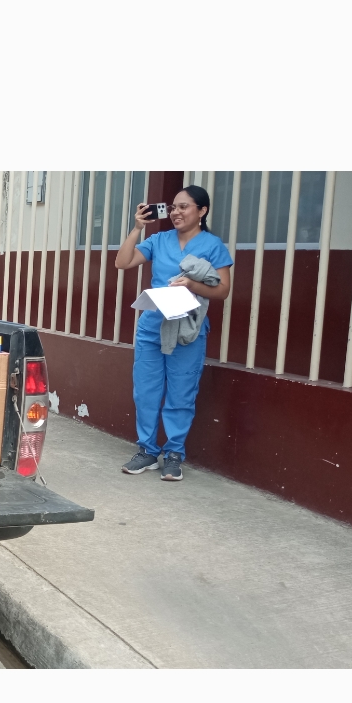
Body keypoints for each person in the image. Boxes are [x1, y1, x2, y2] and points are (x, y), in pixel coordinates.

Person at [114, 185, 233, 481]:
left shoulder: (213, 245)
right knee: (146, 392)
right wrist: (137, 228)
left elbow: (222, 290)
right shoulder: (159, 239)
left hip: (187, 331)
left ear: (202, 211)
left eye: (184, 207)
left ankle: (174, 453)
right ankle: (147, 451)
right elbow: (122, 262)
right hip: (152, 327)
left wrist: (191, 285)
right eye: (174, 207)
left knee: (181, 393)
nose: (176, 212)